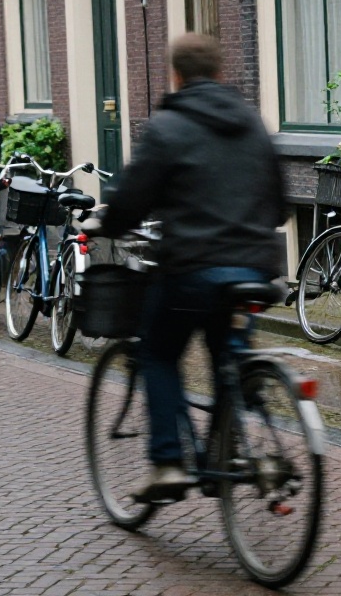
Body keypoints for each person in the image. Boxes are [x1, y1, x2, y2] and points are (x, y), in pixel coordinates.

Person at [88, 33, 287, 503]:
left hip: (193, 270)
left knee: (158, 352)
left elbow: (132, 198)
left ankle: (168, 463)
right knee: (228, 357)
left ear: (176, 76)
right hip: (254, 270)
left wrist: (108, 223)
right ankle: (231, 450)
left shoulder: (167, 126)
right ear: (221, 74)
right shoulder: (253, 123)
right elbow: (279, 206)